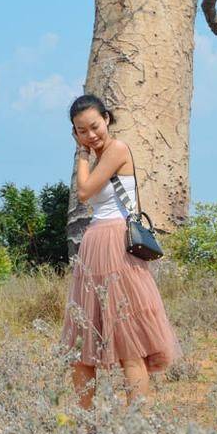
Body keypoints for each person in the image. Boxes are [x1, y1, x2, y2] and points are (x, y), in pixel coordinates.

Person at [60, 94, 182, 409]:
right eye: (81, 131)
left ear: (107, 120)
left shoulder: (116, 150)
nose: (90, 135)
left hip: (116, 245)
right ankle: (85, 425)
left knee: (129, 341)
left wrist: (82, 158)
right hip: (93, 247)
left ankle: (137, 428)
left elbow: (84, 192)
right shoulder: (101, 156)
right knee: (82, 343)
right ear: (75, 133)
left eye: (94, 126)